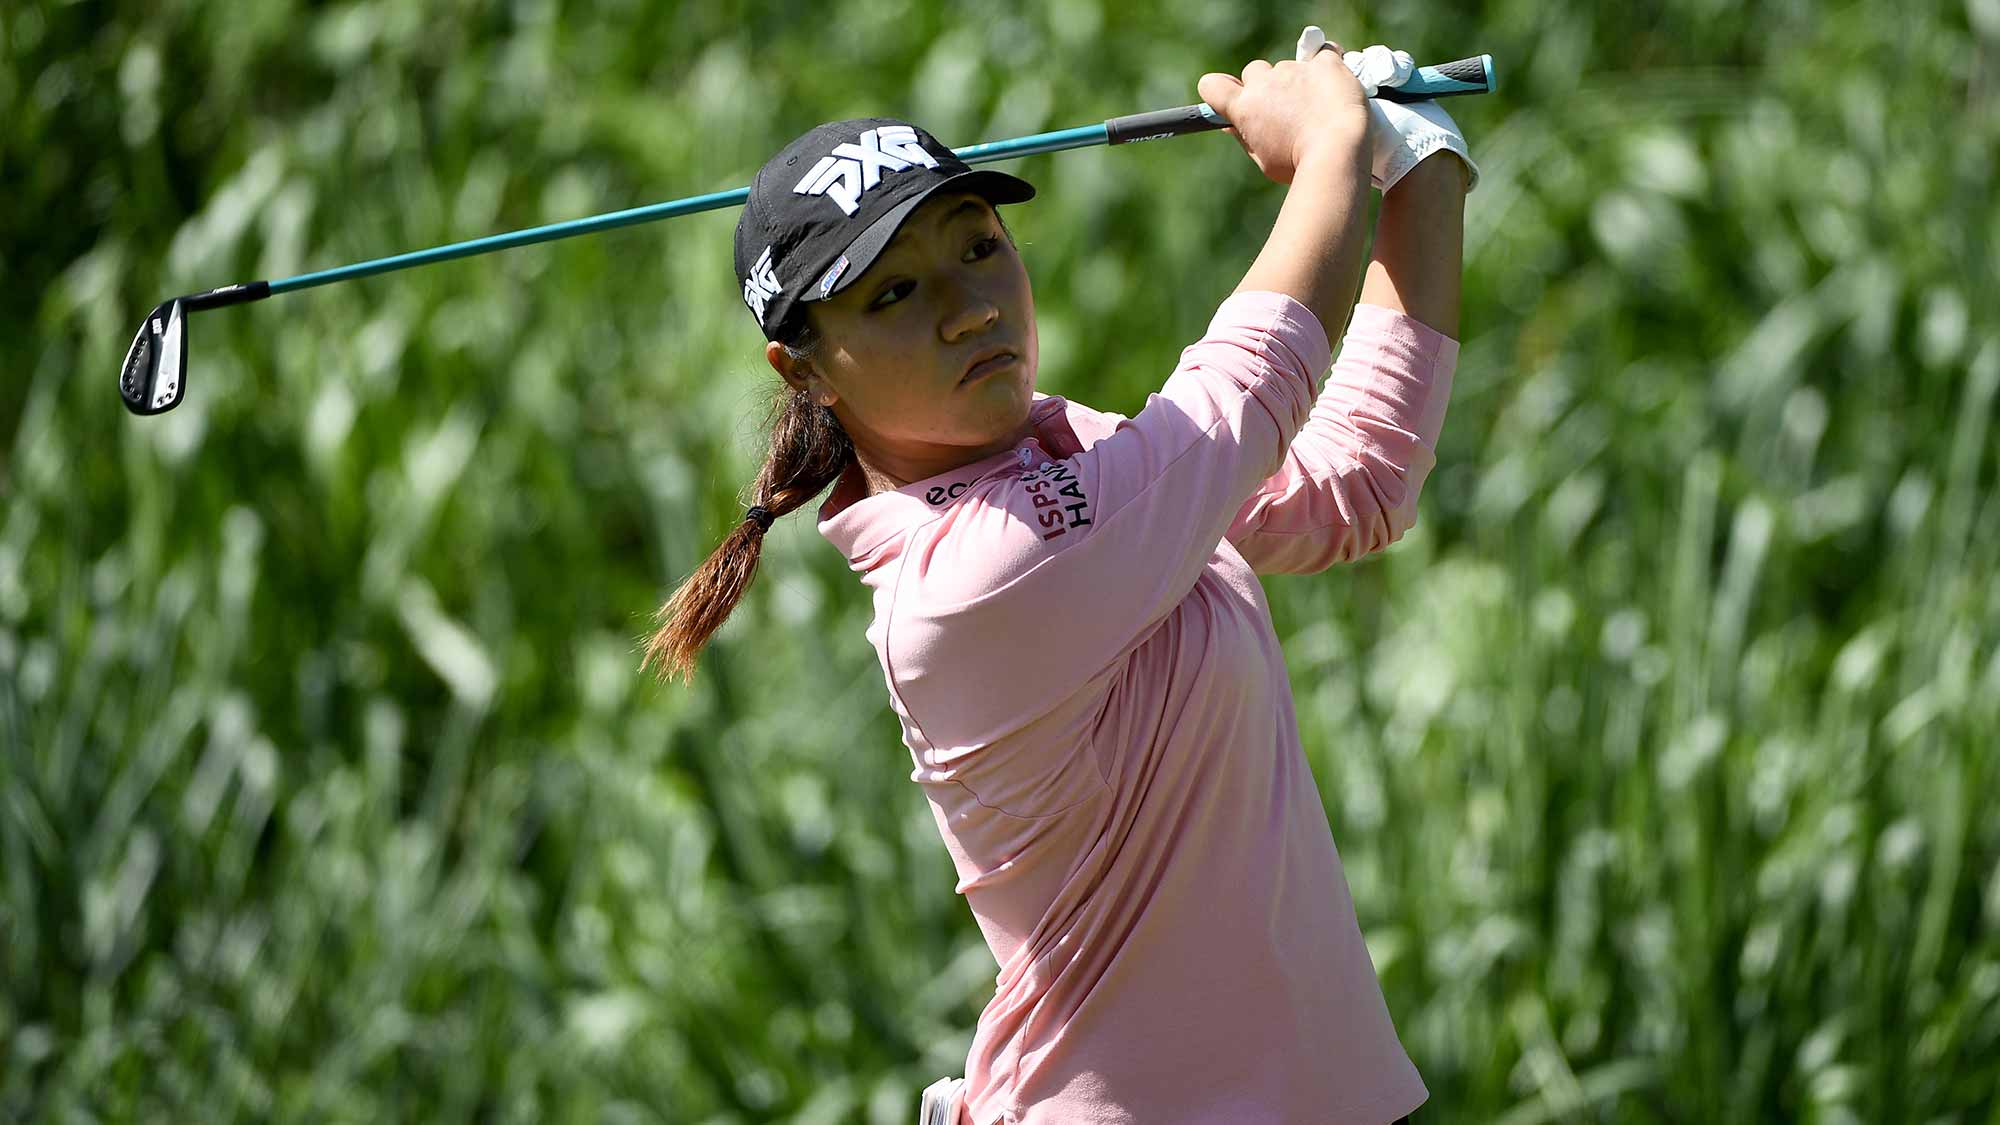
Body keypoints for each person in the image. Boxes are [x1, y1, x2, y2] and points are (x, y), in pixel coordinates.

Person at [643, 25, 1477, 1125]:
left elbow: (1348, 489)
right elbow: (1243, 395)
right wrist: (1326, 149)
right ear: (803, 370)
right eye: (893, 296)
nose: (967, 306)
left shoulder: (1071, 457)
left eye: (977, 246)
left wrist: (1417, 172)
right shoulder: (969, 578)